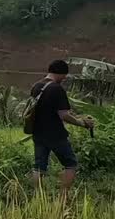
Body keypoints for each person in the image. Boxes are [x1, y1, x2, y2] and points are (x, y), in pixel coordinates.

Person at [30, 59, 94, 198]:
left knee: (39, 166)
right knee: (70, 164)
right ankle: (63, 197)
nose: (64, 79)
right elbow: (64, 115)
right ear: (60, 73)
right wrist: (82, 123)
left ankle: (38, 197)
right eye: (64, 75)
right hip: (55, 134)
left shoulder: (36, 86)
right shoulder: (56, 89)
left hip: (37, 132)